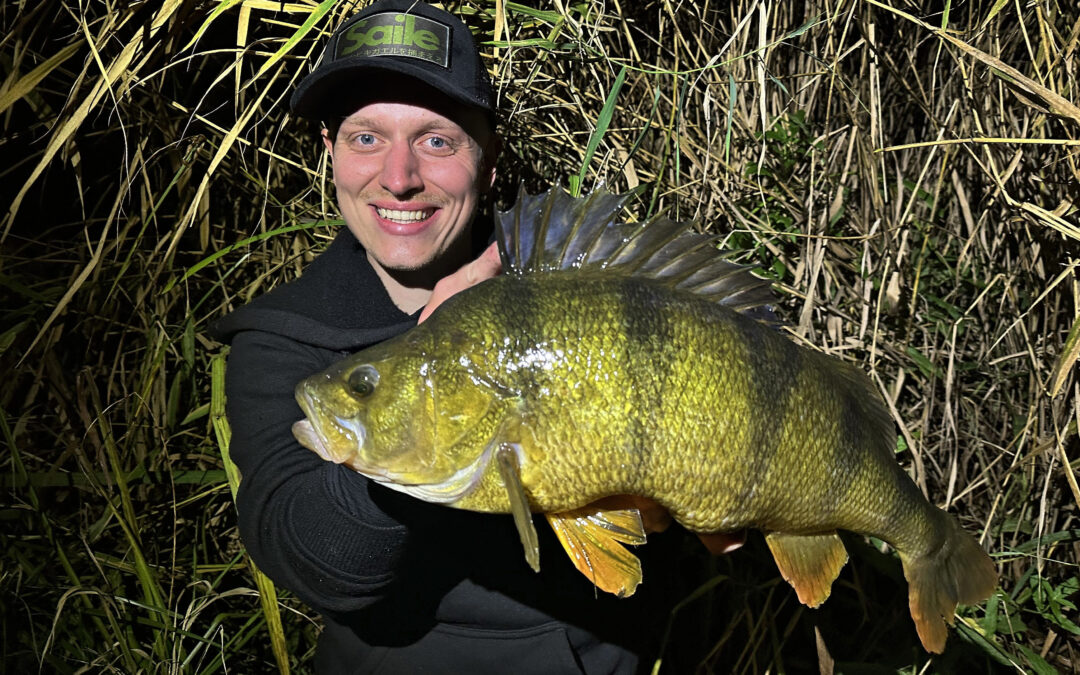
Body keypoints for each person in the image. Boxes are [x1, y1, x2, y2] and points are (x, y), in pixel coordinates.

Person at [212, 2, 741, 672]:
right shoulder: (282, 342)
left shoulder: (573, 290)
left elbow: (672, 509)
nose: (399, 176)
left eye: (436, 141)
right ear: (330, 152)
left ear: (488, 159)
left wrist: (694, 506)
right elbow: (317, 562)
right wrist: (438, 394)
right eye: (365, 138)